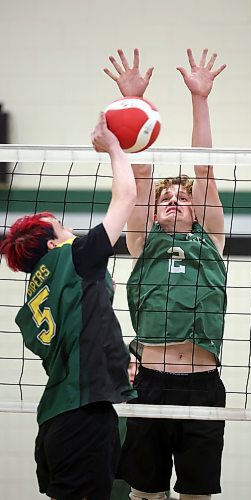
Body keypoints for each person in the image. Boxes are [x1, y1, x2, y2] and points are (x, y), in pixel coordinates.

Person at [104, 47, 227, 500]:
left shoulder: (210, 241)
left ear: (197, 208)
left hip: (203, 385)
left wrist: (200, 98)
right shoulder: (142, 242)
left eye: (183, 196)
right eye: (165, 196)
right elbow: (136, 176)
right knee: (146, 492)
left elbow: (205, 168)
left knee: (196, 495)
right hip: (150, 385)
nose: (174, 199)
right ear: (153, 212)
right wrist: (135, 104)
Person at [0, 113, 136, 500]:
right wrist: (113, 146)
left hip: (55, 425)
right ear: (52, 244)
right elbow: (126, 196)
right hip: (82, 420)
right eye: (62, 227)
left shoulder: (30, 303)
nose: (71, 230)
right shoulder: (74, 258)